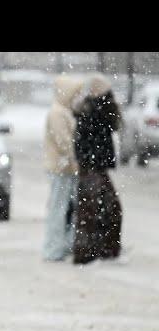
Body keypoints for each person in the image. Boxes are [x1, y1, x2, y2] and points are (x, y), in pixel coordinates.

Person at [72, 73, 123, 265]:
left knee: (98, 210)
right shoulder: (95, 112)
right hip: (93, 167)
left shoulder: (94, 111)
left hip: (94, 167)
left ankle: (96, 250)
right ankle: (92, 252)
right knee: (93, 211)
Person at [42, 74, 84, 261]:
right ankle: (54, 248)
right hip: (61, 169)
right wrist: (76, 158)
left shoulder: (63, 111)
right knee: (59, 209)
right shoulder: (58, 113)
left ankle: (64, 245)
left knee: (66, 209)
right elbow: (64, 142)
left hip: (67, 168)